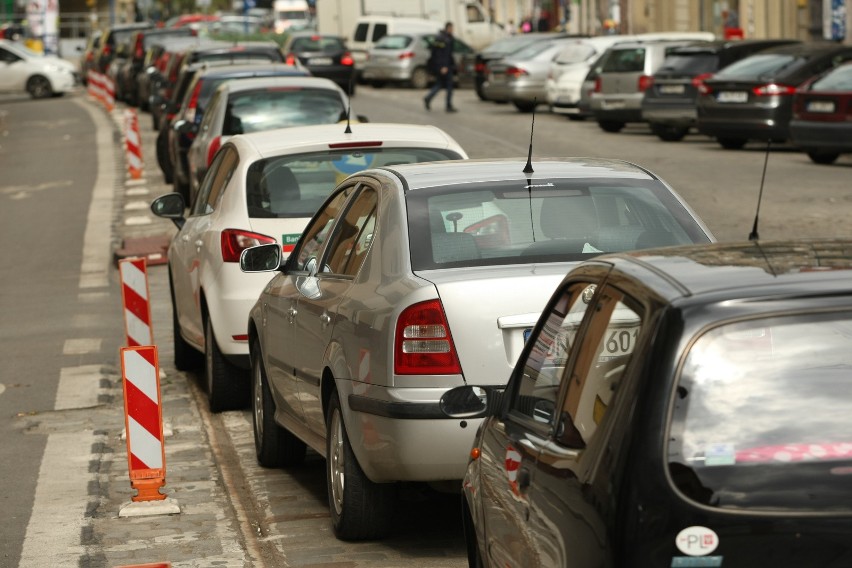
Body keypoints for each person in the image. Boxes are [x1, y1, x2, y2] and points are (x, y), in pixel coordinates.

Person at [423, 22, 457, 113]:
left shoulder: (438, 38)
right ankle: (448, 105)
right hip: (445, 66)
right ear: (448, 28)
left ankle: (428, 97)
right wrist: (444, 66)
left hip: (438, 65)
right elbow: (444, 55)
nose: (452, 30)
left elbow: (435, 53)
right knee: (449, 86)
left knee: (439, 84)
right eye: (451, 28)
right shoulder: (446, 39)